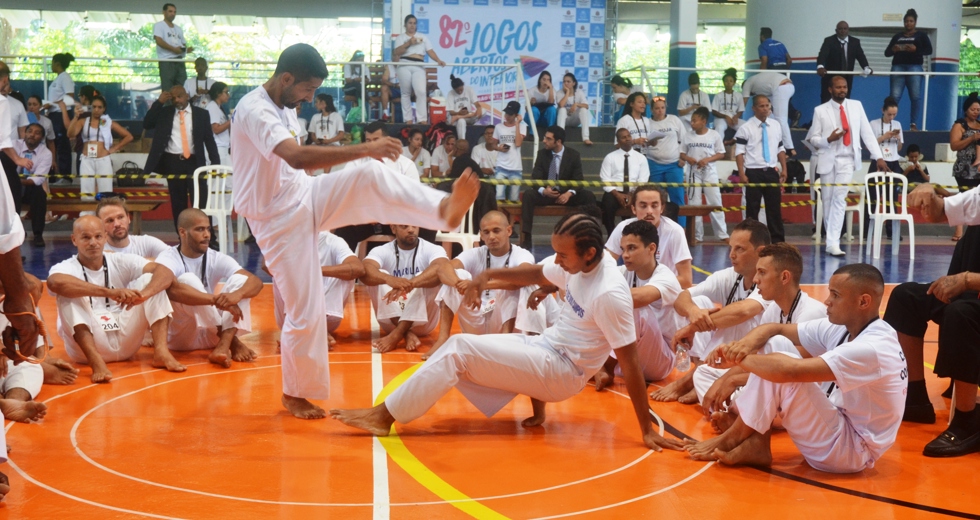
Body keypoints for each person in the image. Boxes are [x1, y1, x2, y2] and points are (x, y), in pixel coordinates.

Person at [230, 43, 479, 419]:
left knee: (367, 175)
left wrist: (358, 163)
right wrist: (364, 147)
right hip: (275, 220)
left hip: (303, 195)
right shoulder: (254, 109)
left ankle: (442, 212)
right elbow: (295, 157)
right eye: (307, 89)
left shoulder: (285, 108)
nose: (310, 97)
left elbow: (295, 169)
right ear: (285, 78)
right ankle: (295, 394)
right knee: (305, 308)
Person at [329, 213, 685, 455]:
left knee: (459, 349)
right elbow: (532, 274)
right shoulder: (579, 265)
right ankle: (537, 411)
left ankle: (383, 417)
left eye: (563, 254)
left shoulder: (609, 293)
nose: (557, 260)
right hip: (549, 350)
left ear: (589, 254)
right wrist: (486, 277)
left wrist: (647, 428)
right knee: (486, 346)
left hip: (563, 373)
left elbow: (631, 363)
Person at [686, 264, 905, 473]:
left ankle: (736, 436)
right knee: (774, 346)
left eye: (835, 295)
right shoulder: (845, 327)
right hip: (837, 424)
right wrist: (740, 348)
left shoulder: (872, 347)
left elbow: (790, 372)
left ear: (863, 302)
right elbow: (773, 329)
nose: (827, 301)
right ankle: (756, 441)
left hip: (852, 450)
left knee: (781, 364)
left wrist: (737, 360)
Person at [692, 243, 827, 427]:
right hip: (773, 383)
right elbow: (757, 359)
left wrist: (734, 380)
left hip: (803, 396)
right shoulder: (773, 309)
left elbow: (792, 375)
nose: (755, 279)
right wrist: (726, 377)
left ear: (785, 277)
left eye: (762, 273)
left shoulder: (811, 313)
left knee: (775, 347)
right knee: (703, 372)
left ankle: (739, 417)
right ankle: (737, 414)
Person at [47, 216, 184, 383]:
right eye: (86, 237)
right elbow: (54, 283)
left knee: (150, 280)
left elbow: (163, 270)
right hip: (87, 348)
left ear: (105, 237)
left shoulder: (118, 260)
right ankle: (96, 363)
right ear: (74, 240)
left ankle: (161, 352)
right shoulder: (65, 266)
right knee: (67, 294)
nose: (93, 243)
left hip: (126, 339)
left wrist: (145, 295)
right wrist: (109, 293)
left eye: (98, 236)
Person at [650, 219, 771, 403]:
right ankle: (700, 379)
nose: (731, 255)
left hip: (762, 359)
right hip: (730, 357)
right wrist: (693, 312)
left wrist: (693, 328)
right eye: (731, 248)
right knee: (698, 303)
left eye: (740, 249)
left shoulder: (771, 279)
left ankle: (691, 381)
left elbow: (743, 311)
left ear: (760, 251)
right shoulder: (731, 276)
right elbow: (681, 297)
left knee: (735, 318)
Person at [899, 182, 980, 455]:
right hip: (970, 291)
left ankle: (967, 422)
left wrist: (968, 280)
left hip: (972, 293)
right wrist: (929, 192)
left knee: (962, 313)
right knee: (906, 297)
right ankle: (915, 399)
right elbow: (940, 211)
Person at [155, 208, 262, 367]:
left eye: (208, 229)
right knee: (188, 280)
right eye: (200, 229)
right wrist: (215, 300)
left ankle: (223, 346)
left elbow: (256, 282)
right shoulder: (168, 258)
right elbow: (173, 291)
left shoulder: (215, 257)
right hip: (181, 337)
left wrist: (237, 295)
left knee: (240, 280)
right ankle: (232, 343)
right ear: (183, 232)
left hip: (212, 335)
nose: (207, 235)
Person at [427, 211, 536, 360]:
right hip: (476, 316)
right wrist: (459, 284)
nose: (491, 236)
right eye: (486, 232)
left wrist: (479, 285)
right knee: (459, 275)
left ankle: (506, 344)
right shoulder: (475, 253)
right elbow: (443, 268)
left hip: (503, 320)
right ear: (481, 235)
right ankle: (443, 338)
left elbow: (524, 276)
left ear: (509, 231)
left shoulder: (522, 254)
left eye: (496, 231)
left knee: (514, 282)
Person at [593, 219, 682, 389]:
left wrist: (594, 295)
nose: (625, 255)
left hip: (661, 361)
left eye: (632, 248)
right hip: (628, 358)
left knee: (633, 307)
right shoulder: (623, 273)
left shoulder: (666, 276)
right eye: (623, 249)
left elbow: (639, 298)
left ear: (651, 248)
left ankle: (606, 368)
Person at [806, 76, 886, 256]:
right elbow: (813, 138)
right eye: (838, 87)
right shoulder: (820, 110)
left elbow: (866, 133)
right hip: (828, 158)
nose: (842, 90)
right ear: (830, 89)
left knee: (839, 198)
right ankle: (830, 240)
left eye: (844, 87)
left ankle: (834, 242)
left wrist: (878, 156)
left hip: (848, 159)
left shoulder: (856, 106)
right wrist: (828, 139)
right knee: (827, 200)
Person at [143, 86, 220, 232]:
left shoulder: (201, 114)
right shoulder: (164, 113)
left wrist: (215, 164)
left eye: (179, 96)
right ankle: (182, 236)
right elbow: (147, 123)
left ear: (187, 95)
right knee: (178, 203)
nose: (176, 100)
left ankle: (208, 237)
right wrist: (159, 102)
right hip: (173, 162)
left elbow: (209, 140)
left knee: (201, 202)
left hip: (195, 162)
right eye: (173, 98)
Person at [361, 225, 449, 353]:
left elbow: (442, 267)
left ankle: (397, 335)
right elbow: (365, 269)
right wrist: (389, 279)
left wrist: (410, 284)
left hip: (423, 323)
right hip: (391, 322)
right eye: (404, 226)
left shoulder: (433, 249)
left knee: (429, 275)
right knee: (378, 274)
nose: (411, 229)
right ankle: (405, 333)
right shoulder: (382, 250)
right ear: (393, 228)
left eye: (414, 226)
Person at [272, 231, 366, 348]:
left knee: (346, 273)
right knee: (280, 273)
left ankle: (305, 332)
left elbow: (358, 268)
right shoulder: (287, 238)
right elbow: (265, 265)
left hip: (327, 320)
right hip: (290, 318)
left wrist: (314, 271)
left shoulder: (332, 241)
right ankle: (307, 330)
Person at [520, 126, 596, 250]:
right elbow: (534, 178)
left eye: (548, 139)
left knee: (589, 196)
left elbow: (579, 180)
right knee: (528, 195)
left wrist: (569, 193)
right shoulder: (542, 154)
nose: (544, 141)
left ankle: (590, 235)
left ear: (558, 142)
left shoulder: (573, 155)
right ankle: (527, 238)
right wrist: (544, 191)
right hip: (548, 194)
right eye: (545, 137)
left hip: (566, 195)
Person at [605, 185, 693, 288]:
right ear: (633, 209)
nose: (649, 211)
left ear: (662, 208)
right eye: (643, 206)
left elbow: (686, 280)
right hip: (634, 291)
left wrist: (648, 289)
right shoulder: (623, 228)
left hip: (663, 293)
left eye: (654, 206)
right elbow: (605, 265)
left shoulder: (675, 231)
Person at [735, 95, 788, 243]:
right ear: (754, 108)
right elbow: (739, 152)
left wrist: (784, 168)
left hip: (771, 170)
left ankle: (778, 241)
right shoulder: (746, 127)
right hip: (753, 171)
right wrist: (741, 173)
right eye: (762, 106)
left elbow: (780, 148)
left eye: (768, 106)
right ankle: (751, 240)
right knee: (752, 209)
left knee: (774, 209)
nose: (766, 109)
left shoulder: (776, 125)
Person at [67, 95, 134, 208]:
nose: (97, 110)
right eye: (94, 107)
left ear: (104, 109)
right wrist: (75, 117)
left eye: (100, 107)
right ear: (90, 107)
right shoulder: (83, 121)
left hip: (103, 159)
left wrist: (113, 149)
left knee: (106, 191)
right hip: (87, 159)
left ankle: (105, 218)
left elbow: (129, 136)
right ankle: (87, 218)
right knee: (86, 191)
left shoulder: (106, 122)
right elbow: (70, 134)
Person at [680, 107, 728, 242]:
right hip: (692, 173)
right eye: (691, 121)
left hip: (709, 172)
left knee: (715, 202)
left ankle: (722, 235)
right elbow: (682, 153)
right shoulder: (687, 136)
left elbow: (721, 153)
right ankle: (696, 235)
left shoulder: (714, 135)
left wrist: (707, 160)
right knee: (694, 204)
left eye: (694, 120)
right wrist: (688, 158)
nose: (692, 123)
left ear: (704, 121)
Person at [864, 96, 905, 241]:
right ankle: (867, 232)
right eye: (889, 114)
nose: (892, 117)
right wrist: (884, 136)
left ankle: (892, 231)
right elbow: (869, 144)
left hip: (894, 162)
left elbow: (900, 148)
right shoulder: (873, 124)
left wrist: (898, 139)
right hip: (878, 161)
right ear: (883, 111)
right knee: (873, 198)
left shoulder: (898, 124)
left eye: (894, 114)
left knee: (892, 199)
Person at [886, 9, 933, 131]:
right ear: (904, 22)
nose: (908, 24)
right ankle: (888, 122)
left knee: (915, 97)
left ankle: (913, 124)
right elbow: (887, 53)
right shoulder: (897, 36)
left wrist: (916, 50)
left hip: (915, 67)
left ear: (915, 22)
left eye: (911, 21)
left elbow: (929, 50)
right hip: (898, 66)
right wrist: (894, 50)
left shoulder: (921, 35)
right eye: (906, 21)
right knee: (894, 96)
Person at [393, 15, 445, 124]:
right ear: (405, 25)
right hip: (404, 64)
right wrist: (409, 43)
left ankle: (422, 119)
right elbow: (397, 52)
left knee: (421, 92)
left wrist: (438, 60)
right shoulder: (400, 37)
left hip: (419, 65)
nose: (412, 25)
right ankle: (408, 119)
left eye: (414, 23)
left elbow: (430, 51)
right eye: (410, 23)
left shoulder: (422, 36)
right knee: (405, 92)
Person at [599, 128, 650, 234]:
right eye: (624, 137)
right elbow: (605, 179)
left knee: (645, 203)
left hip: (635, 192)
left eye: (629, 136)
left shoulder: (641, 158)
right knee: (607, 204)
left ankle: (637, 234)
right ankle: (611, 234)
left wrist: (632, 194)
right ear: (618, 141)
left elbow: (643, 179)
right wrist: (618, 195)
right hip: (615, 192)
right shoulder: (610, 157)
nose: (627, 139)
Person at [647, 96, 687, 222]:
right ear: (652, 110)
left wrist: (683, 157)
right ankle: (657, 227)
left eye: (662, 108)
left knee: (678, 198)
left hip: (674, 165)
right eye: (657, 108)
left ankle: (681, 229)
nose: (660, 111)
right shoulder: (647, 123)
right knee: (655, 198)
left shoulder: (674, 120)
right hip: (654, 164)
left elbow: (685, 140)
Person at [949, 94, 980, 242]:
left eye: (978, 109)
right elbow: (954, 146)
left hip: (978, 167)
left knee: (977, 200)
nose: (976, 112)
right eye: (973, 109)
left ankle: (974, 232)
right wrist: (971, 138)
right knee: (964, 197)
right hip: (964, 167)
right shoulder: (959, 125)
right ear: (966, 110)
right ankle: (959, 230)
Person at [816, 21, 872, 104]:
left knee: (845, 100)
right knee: (826, 100)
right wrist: (820, 66)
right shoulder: (829, 41)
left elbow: (861, 56)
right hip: (830, 78)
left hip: (847, 78)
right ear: (836, 30)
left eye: (845, 29)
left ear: (848, 30)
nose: (843, 31)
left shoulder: (855, 42)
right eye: (840, 29)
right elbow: (823, 54)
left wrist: (866, 67)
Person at [97, 196, 170, 258]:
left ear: (128, 218)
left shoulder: (146, 243)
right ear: (100, 225)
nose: (117, 224)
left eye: (120, 217)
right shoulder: (97, 250)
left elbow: (175, 258)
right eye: (110, 220)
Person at [14, 124, 51, 247]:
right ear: (25, 133)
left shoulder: (46, 153)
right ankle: (16, 232)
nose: (32, 135)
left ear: (42, 137)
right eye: (29, 131)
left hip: (30, 187)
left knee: (40, 194)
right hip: (12, 186)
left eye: (37, 133)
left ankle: (38, 235)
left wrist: (15, 181)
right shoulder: (14, 146)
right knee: (10, 193)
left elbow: (38, 179)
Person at [742, 72, 795, 156]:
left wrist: (737, 115)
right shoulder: (762, 86)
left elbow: (743, 103)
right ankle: (775, 144)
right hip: (787, 86)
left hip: (781, 87)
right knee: (770, 118)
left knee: (781, 119)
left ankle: (789, 148)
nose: (753, 94)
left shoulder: (747, 83)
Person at [45, 53, 75, 177]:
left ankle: (65, 176)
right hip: (53, 115)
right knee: (53, 144)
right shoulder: (57, 78)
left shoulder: (65, 77)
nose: (51, 65)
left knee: (62, 145)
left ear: (57, 63)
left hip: (61, 114)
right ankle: (54, 173)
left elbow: (70, 98)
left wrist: (53, 104)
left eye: (52, 62)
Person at [493, 101, 527, 202]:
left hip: (515, 167)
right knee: (499, 197)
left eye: (510, 114)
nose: (507, 116)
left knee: (514, 199)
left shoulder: (522, 126)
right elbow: (493, 145)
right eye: (506, 113)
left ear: (516, 115)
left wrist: (517, 124)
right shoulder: (498, 127)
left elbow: (518, 143)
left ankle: (511, 218)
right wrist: (499, 148)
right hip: (501, 165)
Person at [154, 3, 193, 91]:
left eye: (174, 12)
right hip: (167, 60)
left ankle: (180, 104)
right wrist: (173, 49)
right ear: (164, 12)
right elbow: (159, 41)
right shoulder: (159, 25)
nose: (173, 14)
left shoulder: (178, 28)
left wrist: (186, 49)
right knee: (168, 88)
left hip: (179, 60)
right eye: (170, 11)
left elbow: (183, 44)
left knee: (182, 87)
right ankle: (168, 105)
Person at [556, 72, 592, 146]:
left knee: (583, 110)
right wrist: (567, 92)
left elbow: (587, 106)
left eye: (568, 81)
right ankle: (560, 138)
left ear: (573, 83)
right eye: (564, 81)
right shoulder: (559, 92)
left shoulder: (579, 92)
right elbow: (561, 105)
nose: (566, 83)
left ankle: (586, 138)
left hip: (575, 120)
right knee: (562, 110)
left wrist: (576, 104)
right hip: (564, 120)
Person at [712, 69, 745, 144]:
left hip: (733, 118)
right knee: (719, 127)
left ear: (734, 83)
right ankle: (719, 148)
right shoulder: (718, 95)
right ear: (723, 82)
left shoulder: (738, 95)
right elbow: (714, 111)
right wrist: (725, 117)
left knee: (745, 126)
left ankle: (732, 141)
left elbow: (741, 110)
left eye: (731, 81)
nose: (728, 83)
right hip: (721, 118)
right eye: (726, 81)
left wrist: (736, 116)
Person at [446, 75, 482, 141]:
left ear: (463, 85)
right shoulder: (450, 94)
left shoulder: (469, 89)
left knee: (484, 110)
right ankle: (462, 142)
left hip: (468, 117)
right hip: (456, 120)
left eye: (461, 89)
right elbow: (451, 112)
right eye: (457, 91)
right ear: (453, 89)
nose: (460, 92)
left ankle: (459, 116)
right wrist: (459, 113)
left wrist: (479, 108)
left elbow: (477, 104)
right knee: (461, 121)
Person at [205, 82, 231, 166]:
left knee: (229, 176)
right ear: (218, 93)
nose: (228, 95)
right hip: (217, 147)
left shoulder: (218, 107)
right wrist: (232, 120)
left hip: (222, 146)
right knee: (221, 177)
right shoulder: (213, 107)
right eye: (226, 92)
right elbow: (216, 129)